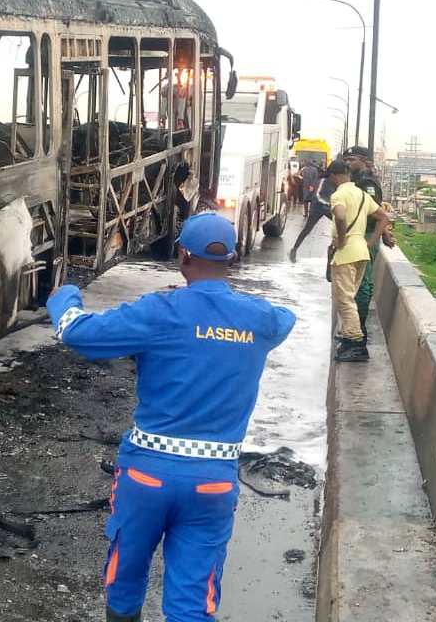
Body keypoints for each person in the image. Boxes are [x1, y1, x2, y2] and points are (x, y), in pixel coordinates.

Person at [46, 213, 296, 622]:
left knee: (125, 579)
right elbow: (285, 320)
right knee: (193, 602)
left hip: (146, 476)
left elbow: (78, 333)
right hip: (214, 483)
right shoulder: (260, 321)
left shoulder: (159, 312)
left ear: (183, 256)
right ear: (231, 259)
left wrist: (64, 297)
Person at [327, 158, 389, 362]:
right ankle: (349, 336)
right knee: (350, 297)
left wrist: (342, 239)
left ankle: (356, 344)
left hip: (346, 253)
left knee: (344, 299)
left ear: (335, 176)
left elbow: (341, 216)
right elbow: (383, 217)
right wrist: (370, 242)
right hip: (361, 252)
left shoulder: (339, 194)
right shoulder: (361, 194)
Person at [342, 146, 396, 343]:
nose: (348, 163)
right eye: (346, 160)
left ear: (364, 160)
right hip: (360, 235)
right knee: (355, 283)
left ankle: (359, 333)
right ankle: (354, 329)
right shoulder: (357, 180)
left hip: (365, 235)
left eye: (352, 159)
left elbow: (376, 213)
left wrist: (378, 237)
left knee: (362, 283)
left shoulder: (367, 183)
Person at [288, 166, 337, 263]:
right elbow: (318, 195)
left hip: (327, 207)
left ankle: (335, 251)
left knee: (340, 225)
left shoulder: (335, 183)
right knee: (307, 229)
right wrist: (330, 205)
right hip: (317, 208)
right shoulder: (323, 180)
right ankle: (294, 249)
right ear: (332, 174)